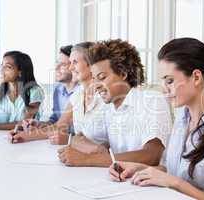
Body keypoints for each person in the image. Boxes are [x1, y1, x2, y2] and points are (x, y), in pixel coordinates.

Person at [109, 38, 204, 200]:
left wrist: (175, 183)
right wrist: (140, 168)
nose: (164, 89)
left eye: (170, 80)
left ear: (196, 77)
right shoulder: (182, 120)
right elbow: (172, 171)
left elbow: (175, 180)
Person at [58, 39, 172, 167]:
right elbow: (86, 141)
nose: (96, 86)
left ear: (123, 74)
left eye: (102, 78)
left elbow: (151, 155)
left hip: (152, 185)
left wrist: (86, 159)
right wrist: (92, 149)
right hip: (122, 181)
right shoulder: (109, 108)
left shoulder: (151, 100)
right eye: (94, 79)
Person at [10, 42, 108, 150]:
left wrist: (70, 140)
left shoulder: (106, 97)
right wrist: (23, 136)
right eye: (70, 63)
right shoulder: (78, 95)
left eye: (74, 62)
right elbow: (59, 126)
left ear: (91, 65)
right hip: (81, 157)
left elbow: (112, 146)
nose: (70, 68)